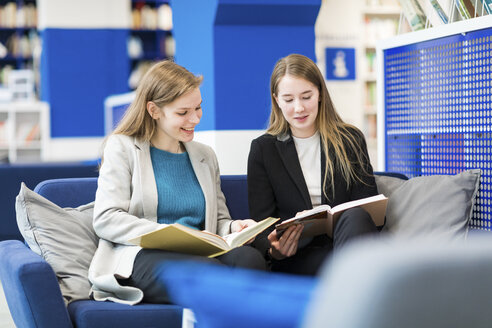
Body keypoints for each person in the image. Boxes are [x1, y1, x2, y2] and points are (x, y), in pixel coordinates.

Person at [89, 60, 266, 305]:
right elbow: (106, 218)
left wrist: (233, 228)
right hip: (143, 256)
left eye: (198, 108)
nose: (195, 119)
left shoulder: (205, 155)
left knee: (250, 260)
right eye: (183, 113)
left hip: (202, 254)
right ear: (154, 111)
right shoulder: (122, 147)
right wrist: (172, 234)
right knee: (209, 273)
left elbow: (219, 221)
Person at [248, 54, 379, 276]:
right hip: (299, 257)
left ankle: (348, 288)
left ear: (319, 93)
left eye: (306, 96)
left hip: (350, 242)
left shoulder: (350, 139)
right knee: (340, 263)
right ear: (276, 100)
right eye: (288, 100)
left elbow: (370, 210)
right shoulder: (264, 149)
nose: (298, 108)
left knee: (356, 216)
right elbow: (262, 226)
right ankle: (353, 295)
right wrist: (274, 249)